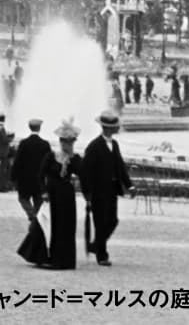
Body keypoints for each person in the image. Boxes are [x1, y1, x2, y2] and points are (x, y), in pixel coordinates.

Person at [17, 118, 83, 269]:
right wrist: (44, 191)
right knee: (45, 224)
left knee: (64, 227)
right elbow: (40, 175)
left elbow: (83, 173)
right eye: (66, 142)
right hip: (52, 194)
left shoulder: (74, 159)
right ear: (61, 142)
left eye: (71, 142)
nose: (69, 145)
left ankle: (62, 260)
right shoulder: (51, 156)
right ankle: (42, 256)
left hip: (66, 196)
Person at [80, 111, 133, 267]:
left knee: (112, 220)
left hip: (111, 190)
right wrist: (87, 193)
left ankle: (95, 245)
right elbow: (85, 172)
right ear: (107, 128)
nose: (117, 129)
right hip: (98, 191)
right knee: (100, 223)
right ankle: (102, 255)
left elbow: (120, 166)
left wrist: (129, 184)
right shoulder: (94, 146)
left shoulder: (114, 144)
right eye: (115, 127)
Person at [10, 118, 51, 221]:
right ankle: (36, 217)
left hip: (25, 178)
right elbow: (49, 163)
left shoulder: (23, 143)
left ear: (29, 127)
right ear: (40, 128)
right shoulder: (45, 144)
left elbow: (17, 161)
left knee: (23, 199)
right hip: (39, 179)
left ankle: (31, 214)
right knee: (38, 201)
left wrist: (13, 176)